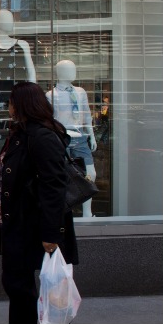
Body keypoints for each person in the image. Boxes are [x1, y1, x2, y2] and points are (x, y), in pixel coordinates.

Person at [0, 81, 78, 324]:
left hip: (32, 225)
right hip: (16, 223)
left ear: (23, 104)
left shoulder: (41, 136)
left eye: (12, 102)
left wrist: (51, 234)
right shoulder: (20, 134)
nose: (9, 107)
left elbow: (54, 186)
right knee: (16, 284)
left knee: (21, 287)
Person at [46, 60, 97, 217]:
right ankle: (64, 210)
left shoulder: (80, 92)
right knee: (63, 174)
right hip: (62, 135)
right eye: (69, 69)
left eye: (74, 69)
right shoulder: (51, 95)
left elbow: (86, 115)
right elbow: (50, 118)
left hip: (80, 134)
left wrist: (91, 135)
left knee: (90, 172)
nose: (73, 72)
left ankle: (87, 212)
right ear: (59, 72)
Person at [0, 9, 36, 153]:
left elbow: (31, 73)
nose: (12, 22)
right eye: (8, 19)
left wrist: (33, 98)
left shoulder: (23, 45)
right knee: (2, 140)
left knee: (25, 137)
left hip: (23, 98)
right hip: (0, 101)